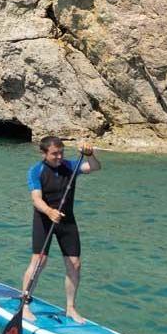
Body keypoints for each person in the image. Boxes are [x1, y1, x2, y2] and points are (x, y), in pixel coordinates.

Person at [20, 136, 102, 322]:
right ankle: (24, 305)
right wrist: (49, 211)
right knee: (39, 262)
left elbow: (95, 167)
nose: (59, 157)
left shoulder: (70, 166)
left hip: (67, 221)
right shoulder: (36, 171)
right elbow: (36, 199)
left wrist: (90, 154)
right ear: (44, 153)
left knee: (75, 264)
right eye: (54, 153)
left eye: (61, 152)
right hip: (44, 219)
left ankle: (71, 308)